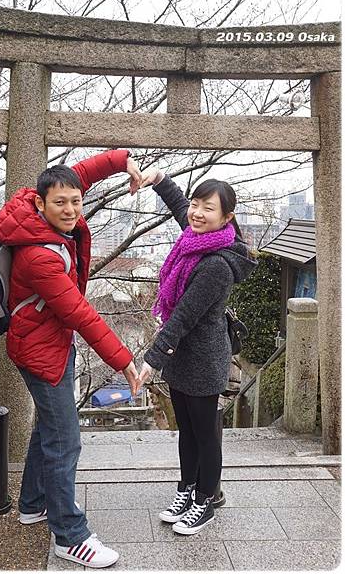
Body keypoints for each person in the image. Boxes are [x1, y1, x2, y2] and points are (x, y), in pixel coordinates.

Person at [0, 149, 142, 568]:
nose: (71, 208)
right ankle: (70, 535)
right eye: (61, 202)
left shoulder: (30, 206)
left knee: (49, 427)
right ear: (41, 203)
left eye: (76, 201)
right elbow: (80, 312)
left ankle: (32, 503)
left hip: (39, 341)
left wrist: (121, 161)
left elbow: (80, 174)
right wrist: (123, 361)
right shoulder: (39, 254)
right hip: (44, 351)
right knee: (65, 441)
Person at [136, 167, 257, 536]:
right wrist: (158, 179)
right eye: (196, 204)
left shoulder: (219, 263)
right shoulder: (196, 239)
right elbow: (178, 207)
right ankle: (186, 491)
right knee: (186, 431)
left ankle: (205, 500)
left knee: (205, 433)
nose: (197, 212)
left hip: (204, 359)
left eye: (209, 207)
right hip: (180, 357)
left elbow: (184, 315)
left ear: (227, 218)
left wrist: (150, 359)